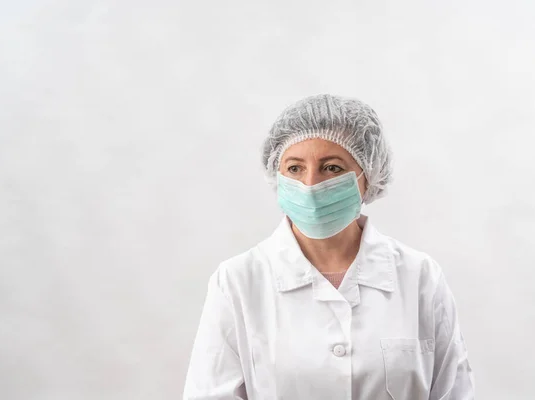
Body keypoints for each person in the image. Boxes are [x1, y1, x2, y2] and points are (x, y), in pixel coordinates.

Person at [183, 94, 475, 399]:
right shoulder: (238, 281)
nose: (310, 184)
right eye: (295, 168)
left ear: (369, 175)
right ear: (276, 174)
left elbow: (454, 391)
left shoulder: (419, 276)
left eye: (332, 168)